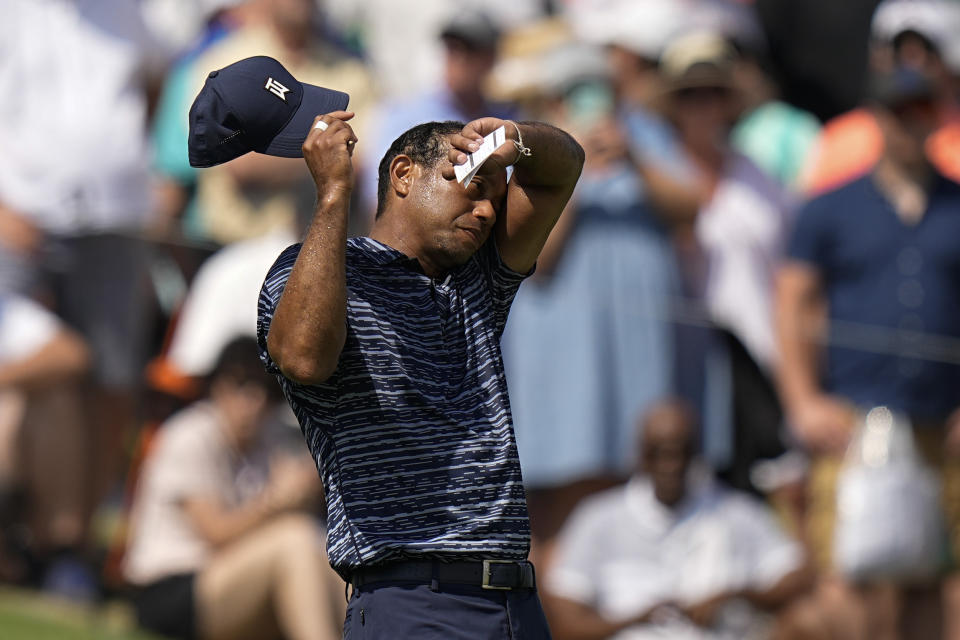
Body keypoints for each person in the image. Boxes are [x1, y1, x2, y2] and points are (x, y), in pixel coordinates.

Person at [257, 109, 583, 636]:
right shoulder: (313, 272)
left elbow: (564, 166)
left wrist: (512, 140)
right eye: (471, 186)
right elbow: (304, 358)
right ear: (403, 175)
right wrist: (334, 195)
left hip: (515, 607)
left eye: (493, 201)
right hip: (411, 600)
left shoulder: (477, 279)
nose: (484, 212)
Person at [776, 67, 960, 639]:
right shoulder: (829, 207)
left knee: (938, 574)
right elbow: (792, 304)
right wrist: (803, 401)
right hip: (854, 421)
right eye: (897, 108)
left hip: (942, 423)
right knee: (850, 573)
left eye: (920, 108)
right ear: (875, 115)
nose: (908, 121)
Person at [123, 337, 344, 640]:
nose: (253, 402)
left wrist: (305, 491)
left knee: (320, 548)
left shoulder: (271, 440)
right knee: (294, 539)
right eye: (241, 385)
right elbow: (215, 532)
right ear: (218, 385)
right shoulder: (189, 434)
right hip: (170, 590)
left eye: (266, 392)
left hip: (228, 584)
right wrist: (274, 504)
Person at [545, 399, 819, 640]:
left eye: (681, 451)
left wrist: (735, 596)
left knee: (810, 622)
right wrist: (638, 619)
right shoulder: (599, 518)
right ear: (640, 456)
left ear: (697, 452)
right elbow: (565, 623)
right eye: (659, 453)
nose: (671, 464)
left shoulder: (734, 511)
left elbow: (798, 577)